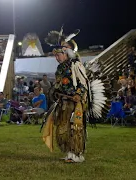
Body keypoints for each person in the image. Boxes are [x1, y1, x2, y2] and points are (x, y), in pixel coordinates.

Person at [42, 29, 90, 163]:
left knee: (75, 129)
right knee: (63, 128)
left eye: (59, 55)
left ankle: (77, 155)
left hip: (75, 103)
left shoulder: (76, 64)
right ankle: (69, 153)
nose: (57, 58)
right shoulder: (60, 69)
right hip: (63, 103)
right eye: (55, 56)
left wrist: (78, 95)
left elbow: (83, 83)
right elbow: (58, 86)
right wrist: (55, 93)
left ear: (66, 53)